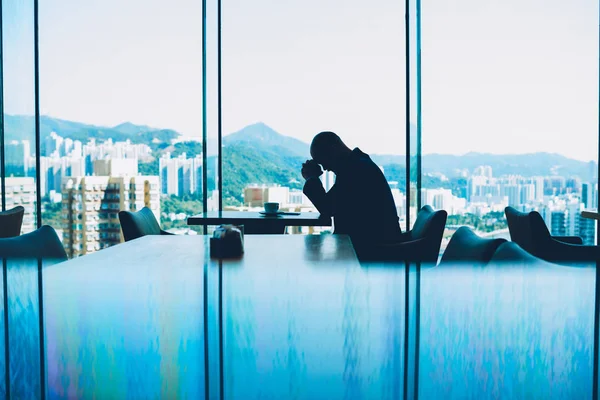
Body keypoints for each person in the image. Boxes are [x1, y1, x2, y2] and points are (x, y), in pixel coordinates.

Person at [301, 131, 403, 260]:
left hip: (369, 249)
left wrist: (311, 178)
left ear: (333, 149)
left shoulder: (356, 170)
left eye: (323, 160)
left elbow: (327, 208)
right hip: (371, 244)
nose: (325, 168)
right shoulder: (358, 165)